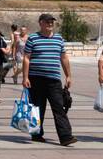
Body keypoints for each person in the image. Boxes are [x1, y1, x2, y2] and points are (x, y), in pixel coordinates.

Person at [22, 14, 76, 146]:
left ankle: (65, 136)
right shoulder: (33, 38)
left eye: (52, 21)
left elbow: (64, 58)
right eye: (47, 21)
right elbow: (26, 58)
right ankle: (36, 134)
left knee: (59, 107)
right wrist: (25, 77)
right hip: (36, 80)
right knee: (38, 108)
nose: (50, 23)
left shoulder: (59, 39)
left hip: (54, 80)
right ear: (40, 23)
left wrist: (68, 75)